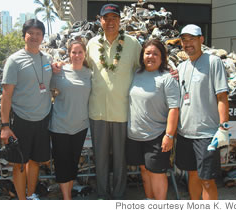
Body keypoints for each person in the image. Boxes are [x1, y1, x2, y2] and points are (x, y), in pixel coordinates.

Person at [86, 4, 142, 199]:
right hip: (98, 111)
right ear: (99, 20)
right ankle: (102, 194)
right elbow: (84, 69)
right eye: (106, 18)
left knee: (120, 159)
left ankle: (118, 195)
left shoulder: (133, 44)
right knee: (100, 158)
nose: (110, 22)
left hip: (122, 111)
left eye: (114, 18)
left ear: (120, 20)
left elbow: (144, 69)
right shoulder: (91, 44)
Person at [175, 24, 229, 200]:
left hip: (207, 134)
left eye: (192, 39)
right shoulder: (181, 67)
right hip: (185, 134)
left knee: (207, 180)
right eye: (184, 40)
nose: (188, 43)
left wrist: (223, 127)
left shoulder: (214, 62)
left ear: (201, 40)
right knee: (192, 175)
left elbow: (222, 97)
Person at [0, 19, 52, 200]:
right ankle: (22, 200)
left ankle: (32, 196)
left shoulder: (47, 59)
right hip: (21, 119)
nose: (34, 37)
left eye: (38, 33)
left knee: (36, 161)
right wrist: (5, 126)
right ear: (25, 36)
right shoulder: (14, 61)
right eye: (31, 33)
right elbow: (6, 95)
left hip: (43, 118)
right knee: (20, 163)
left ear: (43, 37)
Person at [126, 39, 180, 200]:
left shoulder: (167, 78)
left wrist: (169, 135)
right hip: (135, 135)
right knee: (144, 170)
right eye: (147, 53)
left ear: (162, 57)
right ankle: (149, 201)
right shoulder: (136, 73)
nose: (151, 56)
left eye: (156, 53)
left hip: (157, 136)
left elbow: (174, 108)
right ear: (142, 55)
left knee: (157, 173)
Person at [49, 40, 92, 200]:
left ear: (85, 54)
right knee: (61, 163)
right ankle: (67, 198)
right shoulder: (59, 71)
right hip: (60, 125)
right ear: (69, 53)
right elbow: (45, 85)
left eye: (80, 52)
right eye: (74, 52)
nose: (77, 55)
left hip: (80, 126)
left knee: (73, 162)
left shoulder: (89, 73)